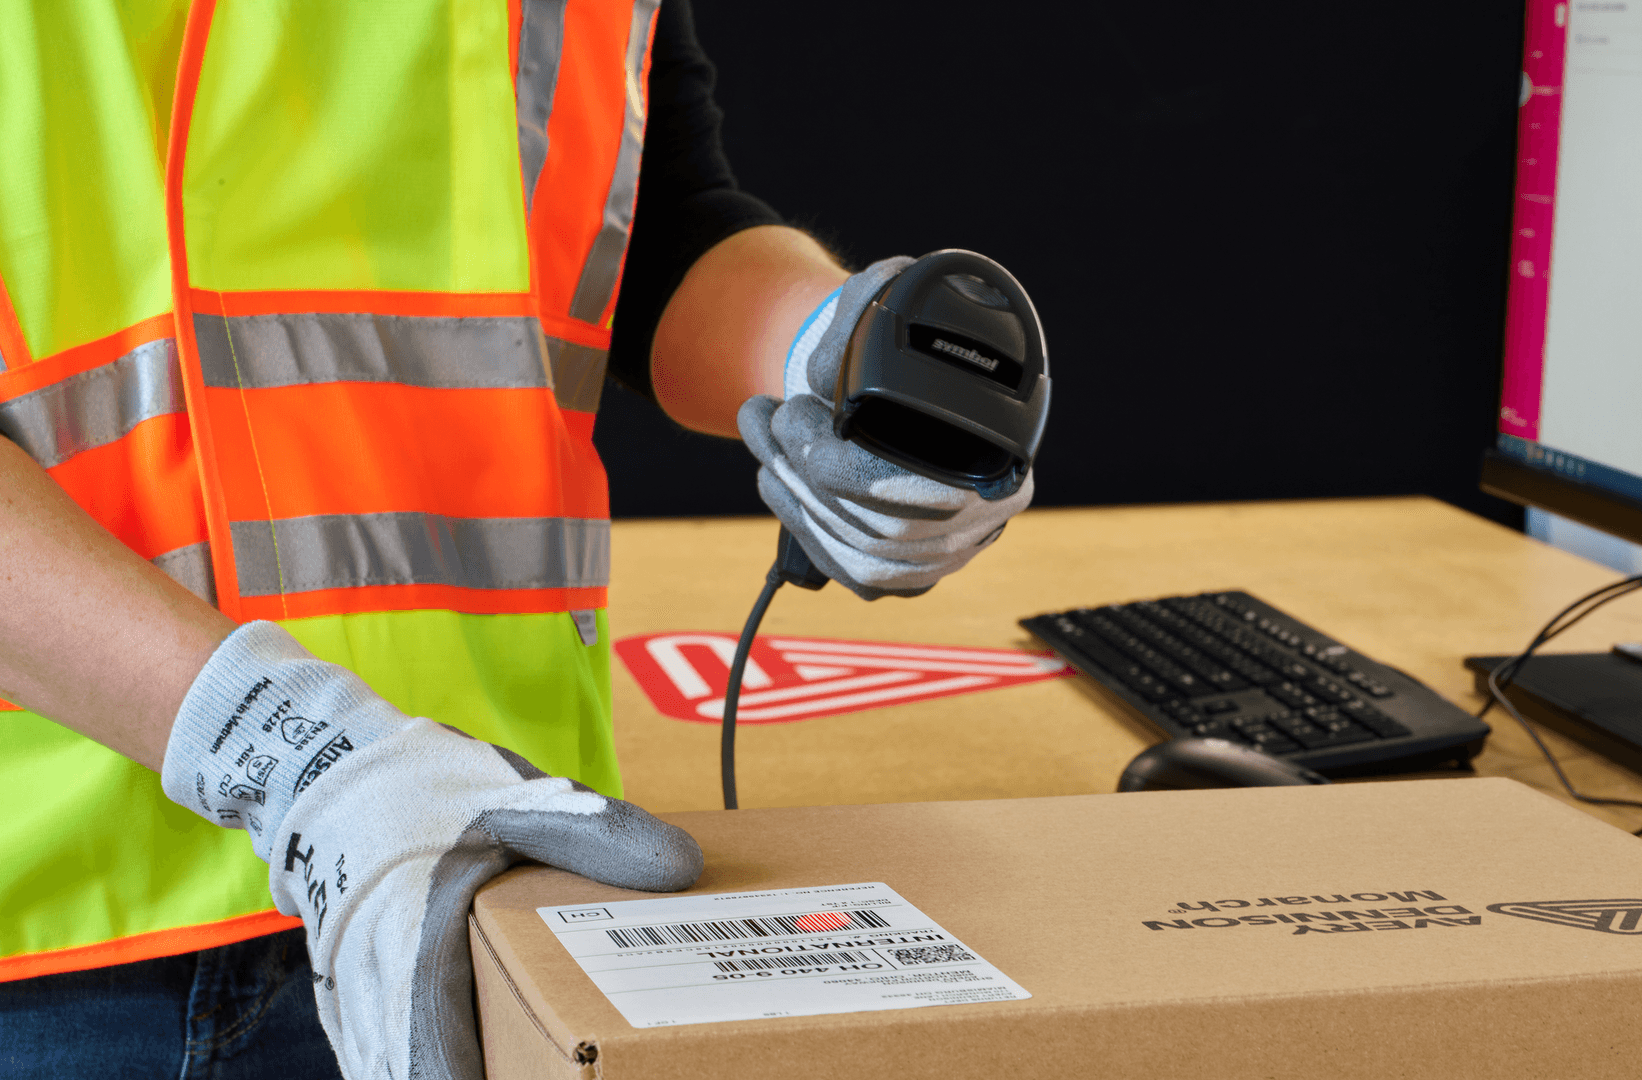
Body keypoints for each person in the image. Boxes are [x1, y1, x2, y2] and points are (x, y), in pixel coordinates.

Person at [0, 2, 1033, 1077]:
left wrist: (826, 352)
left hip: (493, 851)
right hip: (64, 933)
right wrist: (294, 755)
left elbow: (653, 217)